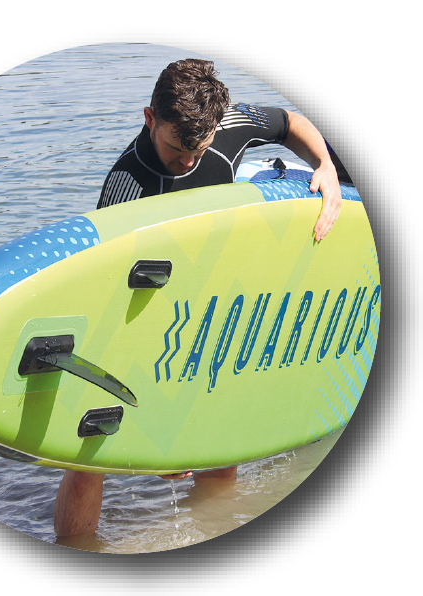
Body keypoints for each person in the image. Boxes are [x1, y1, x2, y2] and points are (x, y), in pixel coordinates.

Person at [54, 58, 344, 537]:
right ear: (150, 119)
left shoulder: (227, 123)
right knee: (89, 453)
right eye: (174, 148)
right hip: (142, 304)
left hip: (213, 297)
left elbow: (291, 122)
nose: (187, 161)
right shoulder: (127, 185)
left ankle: (210, 531)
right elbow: (109, 302)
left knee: (218, 437)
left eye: (198, 149)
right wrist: (158, 436)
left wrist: (325, 166)